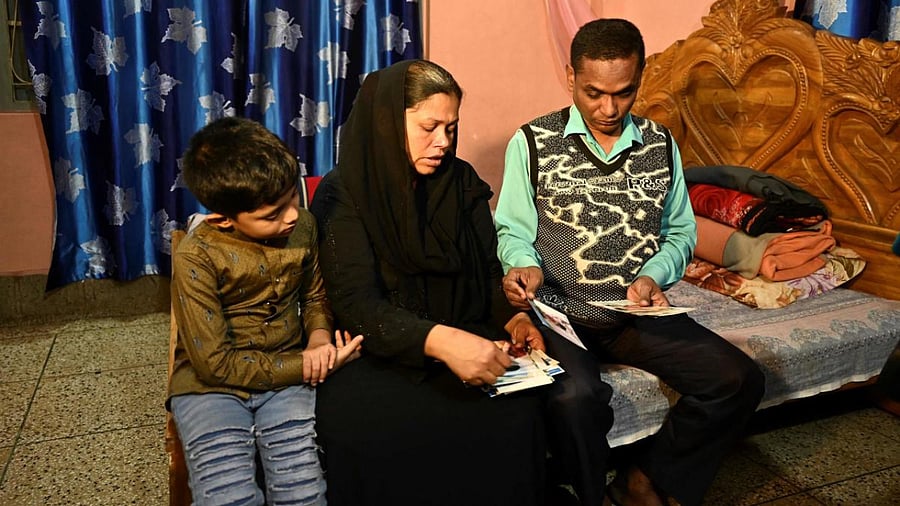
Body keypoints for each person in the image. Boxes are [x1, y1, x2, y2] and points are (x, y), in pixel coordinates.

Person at [494, 19, 765, 506]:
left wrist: (652, 276)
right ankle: (590, 497)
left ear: (639, 79)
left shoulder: (660, 145)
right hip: (560, 313)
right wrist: (523, 266)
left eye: (624, 93)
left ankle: (643, 481)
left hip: (633, 313)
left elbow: (680, 232)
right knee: (575, 398)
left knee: (738, 379)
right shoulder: (532, 141)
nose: (609, 108)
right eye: (594, 93)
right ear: (571, 76)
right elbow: (512, 228)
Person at [309, 59, 547, 506]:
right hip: (375, 351)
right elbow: (358, 306)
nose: (443, 142)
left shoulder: (462, 183)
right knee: (372, 430)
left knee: (516, 417)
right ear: (386, 122)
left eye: (451, 128)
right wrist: (442, 342)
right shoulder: (345, 192)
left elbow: (487, 273)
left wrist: (513, 319)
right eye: (429, 127)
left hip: (464, 336)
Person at [167, 117, 363, 506]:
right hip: (209, 388)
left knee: (304, 493)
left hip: (286, 381)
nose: (291, 216)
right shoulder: (196, 255)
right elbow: (215, 365)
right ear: (222, 219)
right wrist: (306, 366)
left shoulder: (303, 227)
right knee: (228, 496)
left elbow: (315, 297)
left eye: (292, 198)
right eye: (272, 214)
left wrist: (320, 341)